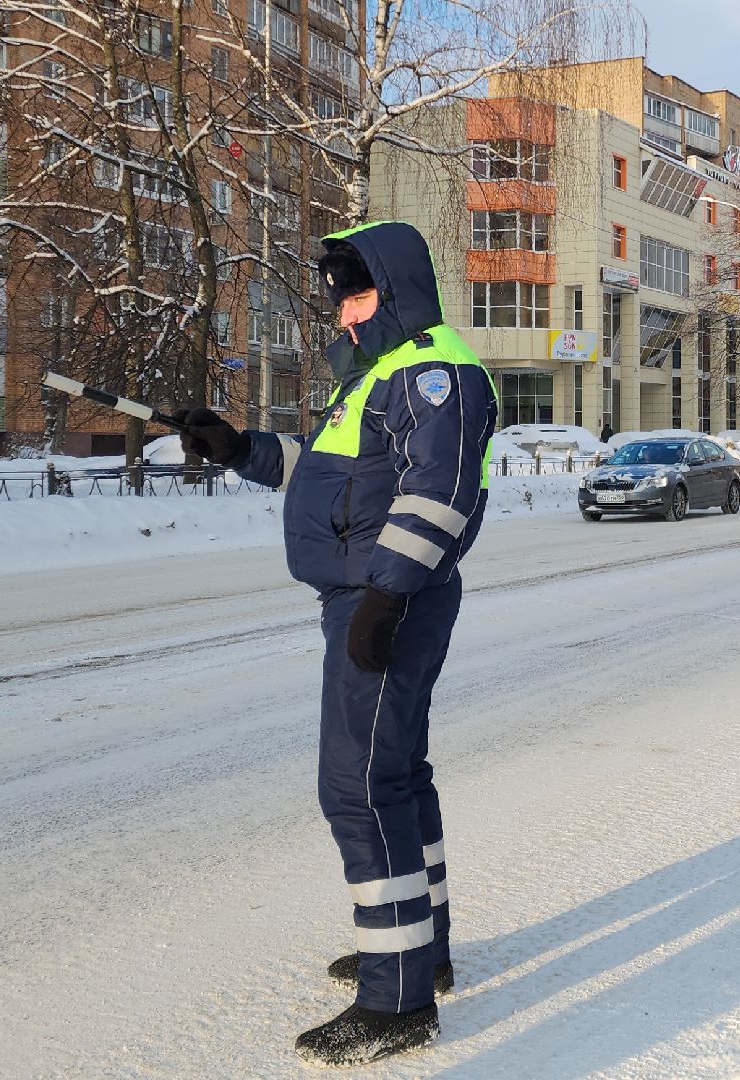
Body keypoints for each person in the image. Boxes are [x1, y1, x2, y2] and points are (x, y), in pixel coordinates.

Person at [176, 221, 498, 1067]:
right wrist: (241, 447)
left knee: (357, 787)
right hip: (370, 594)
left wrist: (385, 597)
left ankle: (396, 1003)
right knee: (395, 775)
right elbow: (329, 476)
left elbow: (442, 491)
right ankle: (418, 949)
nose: (344, 315)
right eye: (338, 300)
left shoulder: (436, 372)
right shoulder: (377, 376)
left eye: (355, 296)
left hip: (391, 597)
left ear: (391, 289)